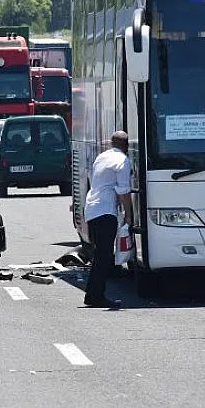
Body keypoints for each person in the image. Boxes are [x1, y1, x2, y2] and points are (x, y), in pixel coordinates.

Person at [83, 131, 132, 309]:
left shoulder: (102, 157)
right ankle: (96, 296)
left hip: (91, 209)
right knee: (104, 257)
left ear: (112, 143)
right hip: (105, 211)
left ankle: (92, 294)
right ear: (126, 146)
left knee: (100, 255)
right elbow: (124, 191)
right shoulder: (123, 161)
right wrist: (129, 214)